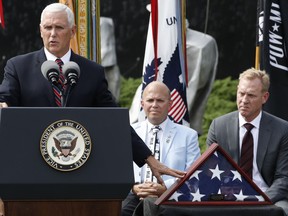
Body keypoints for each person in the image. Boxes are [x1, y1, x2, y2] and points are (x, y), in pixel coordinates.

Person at [0, 3, 185, 184]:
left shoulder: (91, 72)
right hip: (31, 168)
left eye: (59, 27)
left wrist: (148, 159)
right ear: (40, 30)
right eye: (48, 27)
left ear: (72, 31)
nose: (53, 34)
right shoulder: (18, 67)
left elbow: (114, 121)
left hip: (79, 170)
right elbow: (5, 98)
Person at [206, 68, 288, 215]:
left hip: (267, 195)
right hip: (227, 195)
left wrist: (261, 200)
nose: (244, 100)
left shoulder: (282, 129)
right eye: (241, 94)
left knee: (283, 210)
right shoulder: (218, 126)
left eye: (251, 95)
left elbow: (283, 178)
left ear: (265, 97)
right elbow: (209, 171)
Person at [122, 81, 201, 216]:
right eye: (150, 100)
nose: (154, 105)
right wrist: (133, 187)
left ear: (170, 104)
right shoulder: (128, 133)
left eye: (160, 100)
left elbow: (193, 174)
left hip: (171, 197)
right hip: (133, 194)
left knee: (150, 205)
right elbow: (119, 168)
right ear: (142, 104)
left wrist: (165, 187)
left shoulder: (188, 135)